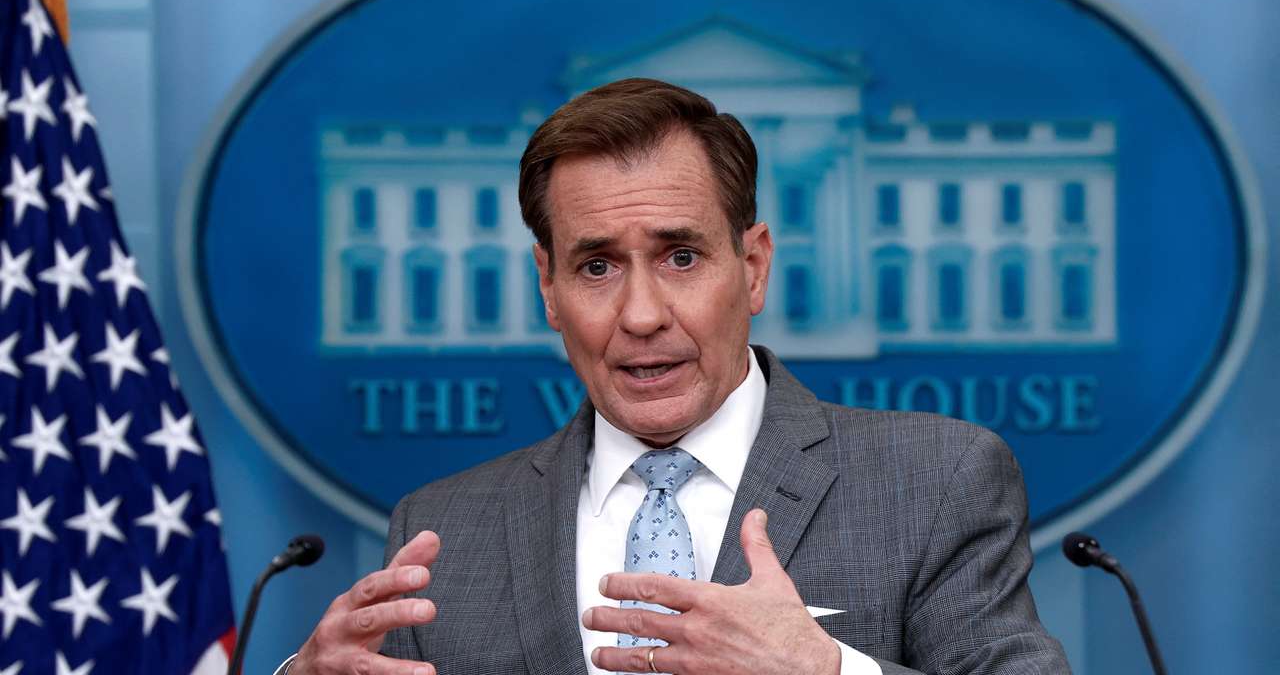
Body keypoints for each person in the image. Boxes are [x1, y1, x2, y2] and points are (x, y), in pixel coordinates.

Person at [285, 78, 1070, 675]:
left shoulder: (933, 482)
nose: (641, 314)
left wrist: (825, 671)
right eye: (596, 266)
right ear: (548, 289)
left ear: (754, 268)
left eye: (681, 257)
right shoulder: (442, 529)